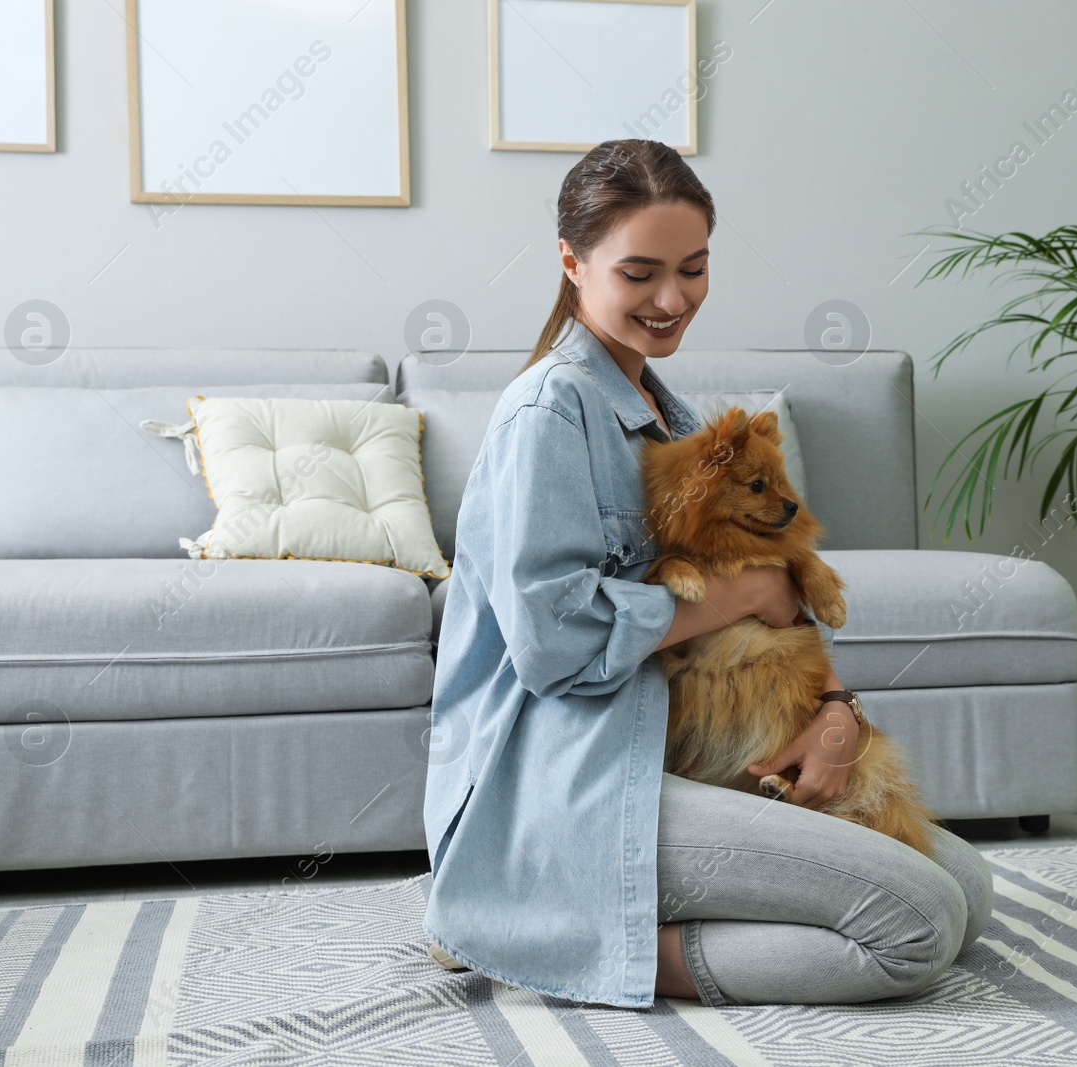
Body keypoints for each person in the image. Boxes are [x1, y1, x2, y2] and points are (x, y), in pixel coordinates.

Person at [421, 139, 992, 1009]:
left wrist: (837, 711)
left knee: (969, 895)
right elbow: (555, 643)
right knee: (915, 928)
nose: (672, 298)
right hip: (567, 782)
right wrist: (746, 592)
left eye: (693, 268)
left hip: (670, 749)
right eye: (640, 271)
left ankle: (577, 920)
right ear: (572, 263)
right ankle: (535, 933)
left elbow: (777, 586)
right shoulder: (549, 411)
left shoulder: (670, 411)